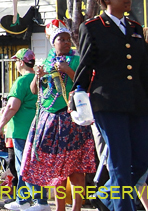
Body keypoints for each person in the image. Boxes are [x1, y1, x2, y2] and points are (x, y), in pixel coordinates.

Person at [73, 0, 148, 211]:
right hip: (108, 104)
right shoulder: (92, 27)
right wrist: (79, 95)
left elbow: (147, 73)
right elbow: (85, 65)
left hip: (139, 105)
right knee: (120, 161)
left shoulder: (135, 27)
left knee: (144, 159)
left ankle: (106, 194)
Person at [21, 20, 94, 211]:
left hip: (71, 119)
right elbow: (34, 90)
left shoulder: (77, 61)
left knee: (75, 168)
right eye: (61, 39)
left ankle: (76, 207)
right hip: (50, 120)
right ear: (53, 42)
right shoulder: (47, 62)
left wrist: (68, 70)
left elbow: (85, 84)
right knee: (57, 169)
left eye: (68, 39)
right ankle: (59, 207)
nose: (66, 42)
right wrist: (37, 76)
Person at [0, 48, 44, 211]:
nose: (16, 64)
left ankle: (40, 202)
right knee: (23, 165)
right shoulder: (39, 79)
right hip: (38, 128)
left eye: (16, 61)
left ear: (21, 62)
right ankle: (22, 200)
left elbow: (12, 106)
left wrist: (0, 125)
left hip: (21, 130)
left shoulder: (21, 81)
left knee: (25, 166)